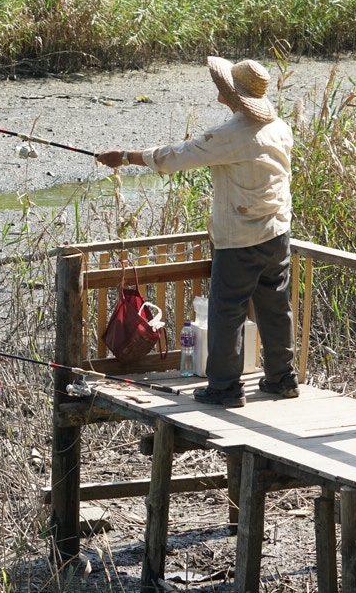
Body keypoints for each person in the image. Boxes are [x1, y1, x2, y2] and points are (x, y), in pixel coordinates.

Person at [95, 57, 297, 408]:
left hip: (240, 240)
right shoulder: (279, 127)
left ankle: (224, 387)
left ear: (235, 96)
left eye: (224, 92)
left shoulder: (231, 134)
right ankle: (282, 379)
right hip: (277, 233)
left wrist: (126, 156)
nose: (220, 97)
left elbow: (178, 156)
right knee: (275, 307)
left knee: (226, 309)